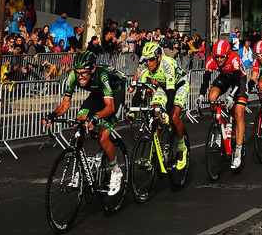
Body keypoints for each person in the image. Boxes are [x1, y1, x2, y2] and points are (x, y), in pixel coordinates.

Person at [43, 49, 126, 195]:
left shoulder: (103, 75)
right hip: (96, 94)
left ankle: (115, 170)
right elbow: (65, 104)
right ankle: (81, 169)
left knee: (102, 136)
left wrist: (95, 117)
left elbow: (110, 107)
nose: (80, 77)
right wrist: (52, 115)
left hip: (115, 94)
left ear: (93, 69)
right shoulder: (73, 76)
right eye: (78, 72)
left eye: (84, 73)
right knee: (79, 123)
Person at [130, 38, 191, 169]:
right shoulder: (145, 68)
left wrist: (167, 113)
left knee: (174, 117)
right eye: (146, 59)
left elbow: (171, 93)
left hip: (179, 85)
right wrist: (132, 112)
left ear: (158, 58)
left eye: (151, 59)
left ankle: (181, 147)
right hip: (163, 86)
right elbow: (139, 92)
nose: (148, 62)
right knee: (154, 112)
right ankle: (154, 154)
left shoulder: (166, 65)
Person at [197, 38, 248, 170]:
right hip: (224, 77)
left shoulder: (235, 59)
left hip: (239, 79)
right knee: (212, 96)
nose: (219, 60)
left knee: (238, 112)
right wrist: (201, 95)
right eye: (217, 57)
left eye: (222, 57)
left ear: (228, 54)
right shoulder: (211, 60)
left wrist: (231, 96)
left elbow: (236, 83)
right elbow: (206, 80)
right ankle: (218, 127)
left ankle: (238, 150)